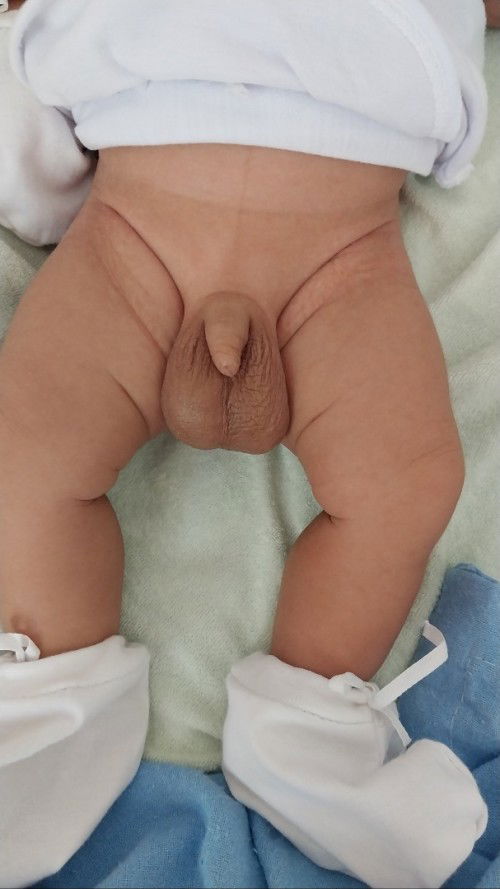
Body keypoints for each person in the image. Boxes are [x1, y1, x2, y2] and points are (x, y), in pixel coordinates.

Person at [0, 2, 492, 886]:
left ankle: (305, 729)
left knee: (408, 482)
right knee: (22, 455)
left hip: (343, 267)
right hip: (130, 246)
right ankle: (43, 712)